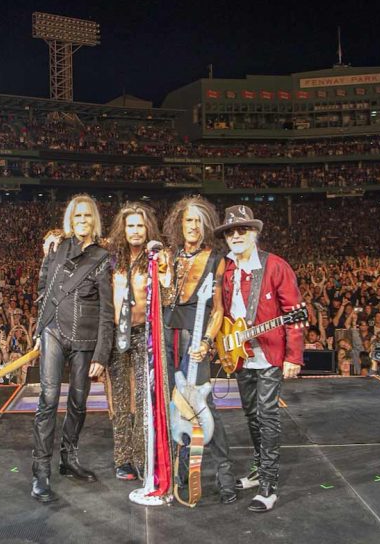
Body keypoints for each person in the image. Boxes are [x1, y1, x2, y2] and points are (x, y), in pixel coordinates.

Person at [215, 205, 303, 512]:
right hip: (238, 353)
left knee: (267, 415)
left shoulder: (275, 266)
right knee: (251, 415)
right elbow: (218, 311)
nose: (236, 235)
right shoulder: (223, 268)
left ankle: (269, 484)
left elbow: (294, 313)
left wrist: (294, 356)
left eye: (242, 230)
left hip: (269, 354)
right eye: (230, 231)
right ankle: (257, 468)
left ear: (255, 233)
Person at [31, 194, 114, 503]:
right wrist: (39, 330)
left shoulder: (104, 257)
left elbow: (108, 311)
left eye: (87, 216)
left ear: (94, 220)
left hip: (85, 339)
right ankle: (41, 471)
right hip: (53, 330)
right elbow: (43, 290)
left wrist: (102, 354)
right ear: (71, 219)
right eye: (77, 216)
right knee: (49, 398)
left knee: (78, 403)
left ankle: (69, 458)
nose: (82, 221)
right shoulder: (56, 248)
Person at [163, 196, 237, 505]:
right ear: (179, 223)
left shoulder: (215, 258)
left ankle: (224, 474)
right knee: (175, 407)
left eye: (198, 220)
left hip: (195, 338)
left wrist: (206, 343)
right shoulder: (169, 256)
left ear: (205, 224)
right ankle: (179, 477)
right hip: (168, 335)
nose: (193, 226)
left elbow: (218, 310)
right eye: (188, 220)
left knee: (204, 407)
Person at [106, 202, 167, 480]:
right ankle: (123, 459)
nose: (135, 231)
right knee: (120, 401)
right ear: (123, 228)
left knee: (144, 399)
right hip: (117, 333)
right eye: (130, 225)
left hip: (145, 332)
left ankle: (144, 457)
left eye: (140, 225)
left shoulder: (157, 257)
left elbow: (167, 292)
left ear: (148, 228)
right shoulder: (111, 258)